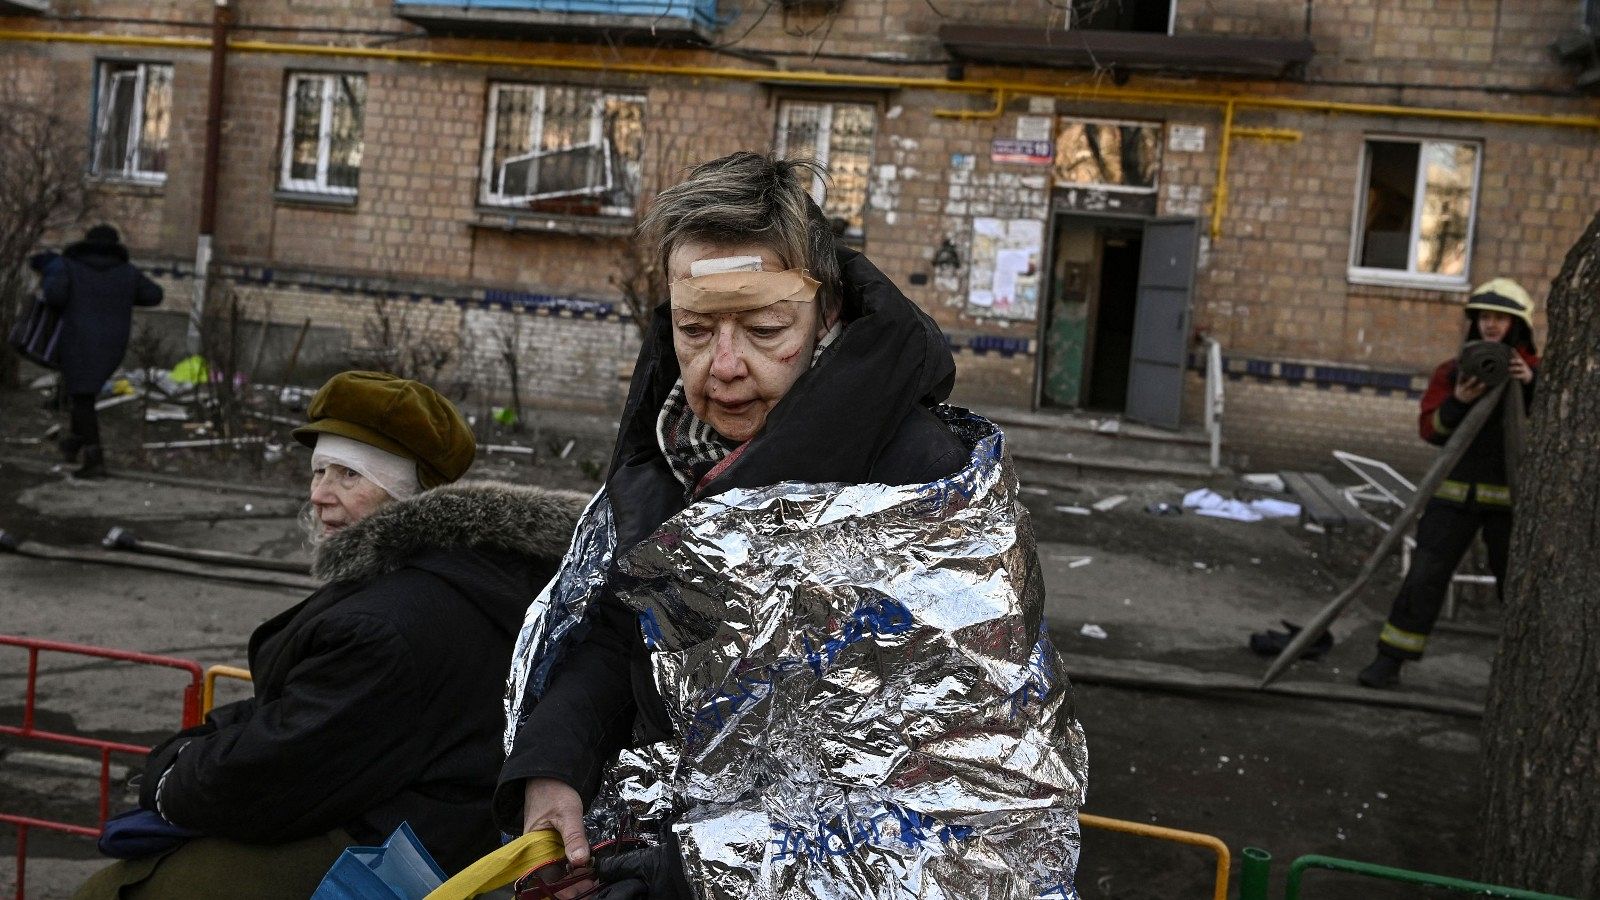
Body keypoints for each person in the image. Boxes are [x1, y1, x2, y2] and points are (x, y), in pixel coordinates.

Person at [496, 153, 1087, 899]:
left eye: (766, 328)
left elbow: (975, 809)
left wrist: (688, 876)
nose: (725, 365)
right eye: (696, 329)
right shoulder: (673, 455)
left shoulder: (920, 482)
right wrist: (554, 769)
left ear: (825, 318)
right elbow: (629, 636)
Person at [75, 371, 585, 899]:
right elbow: (302, 713)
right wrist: (204, 743)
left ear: (408, 494)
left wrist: (171, 773)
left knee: (115, 891)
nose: (320, 495)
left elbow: (272, 775)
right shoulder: (468, 571)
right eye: (318, 471)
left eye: (348, 475)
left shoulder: (386, 623)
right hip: (426, 833)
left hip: (388, 856)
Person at [1358, 279, 1539, 689]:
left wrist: (1531, 384)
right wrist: (1458, 399)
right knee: (1423, 576)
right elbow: (1431, 430)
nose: (1491, 326)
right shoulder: (1454, 371)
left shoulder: (1538, 373)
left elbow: (1554, 431)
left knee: (1517, 586)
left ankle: (1523, 681)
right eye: (1484, 317)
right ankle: (1390, 660)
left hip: (1512, 503)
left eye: (1501, 319)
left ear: (1518, 325)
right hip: (1452, 497)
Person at [36, 224, 164, 478]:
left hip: (77, 338)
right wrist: (121, 295)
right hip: (112, 344)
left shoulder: (69, 267)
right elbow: (154, 295)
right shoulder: (126, 272)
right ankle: (74, 442)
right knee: (83, 392)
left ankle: (94, 459)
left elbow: (54, 295)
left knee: (82, 396)